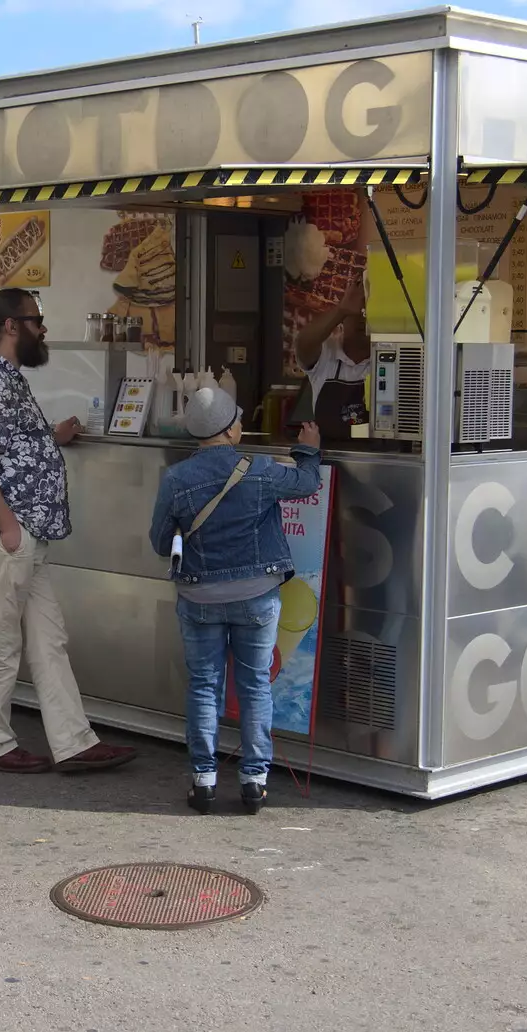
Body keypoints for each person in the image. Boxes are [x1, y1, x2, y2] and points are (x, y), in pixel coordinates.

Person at [0, 289, 137, 775]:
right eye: (37, 320)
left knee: (47, 639)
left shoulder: (2, 377)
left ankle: (73, 741)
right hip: (7, 538)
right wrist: (9, 527)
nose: (43, 328)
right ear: (11, 326)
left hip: (21, 537)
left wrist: (51, 439)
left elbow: (4, 447)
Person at [149, 388, 322, 815]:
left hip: (198, 596)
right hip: (256, 596)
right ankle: (254, 781)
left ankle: (204, 780)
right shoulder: (260, 470)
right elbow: (307, 482)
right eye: (238, 420)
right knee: (254, 685)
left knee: (204, 686)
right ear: (229, 430)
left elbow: (159, 541)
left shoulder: (176, 479)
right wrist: (309, 449)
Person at [293, 275, 369, 439]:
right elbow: (303, 344)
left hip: (372, 459)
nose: (362, 319)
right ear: (341, 320)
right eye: (356, 312)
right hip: (328, 458)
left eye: (368, 313)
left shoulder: (389, 359)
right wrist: (342, 309)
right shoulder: (326, 353)